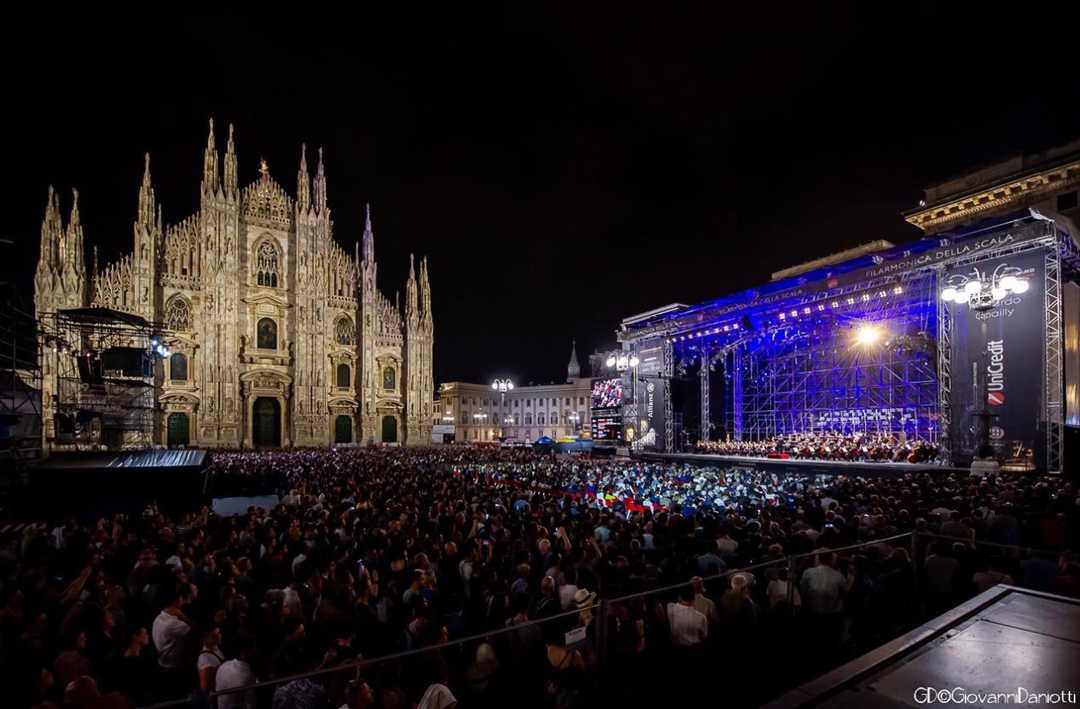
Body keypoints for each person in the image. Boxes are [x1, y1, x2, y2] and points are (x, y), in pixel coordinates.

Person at [215, 635, 257, 709]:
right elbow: (250, 704)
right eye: (252, 649)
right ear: (243, 653)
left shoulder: (223, 665)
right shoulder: (247, 675)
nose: (255, 651)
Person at [197, 626, 225, 693]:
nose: (220, 636)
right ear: (206, 638)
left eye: (219, 633)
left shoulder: (214, 647)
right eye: (216, 634)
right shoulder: (205, 661)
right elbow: (204, 690)